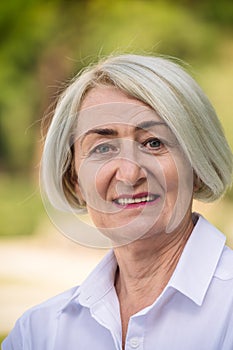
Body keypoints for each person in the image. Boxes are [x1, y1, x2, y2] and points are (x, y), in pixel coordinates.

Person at [2, 54, 233, 350]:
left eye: (154, 143)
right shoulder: (39, 333)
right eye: (103, 147)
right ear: (75, 181)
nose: (129, 173)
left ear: (198, 168)